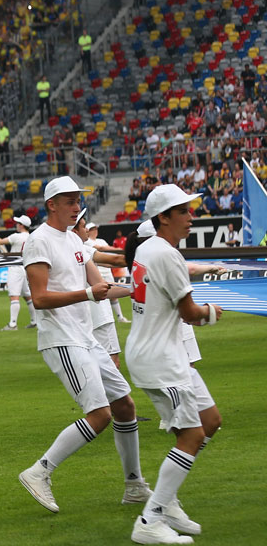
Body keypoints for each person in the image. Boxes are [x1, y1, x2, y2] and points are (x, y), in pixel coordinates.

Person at [18, 176, 150, 514]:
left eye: (78, 199)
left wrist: (143, 287)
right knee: (100, 414)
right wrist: (89, 294)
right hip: (61, 339)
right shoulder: (38, 241)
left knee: (125, 407)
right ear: (52, 205)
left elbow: (101, 286)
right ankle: (40, 471)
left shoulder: (75, 242)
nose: (77, 205)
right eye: (70, 200)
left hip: (84, 337)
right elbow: (41, 298)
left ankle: (134, 486)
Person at [124, 186, 224, 544]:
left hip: (163, 352)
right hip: (160, 357)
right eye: (184, 211)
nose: (191, 216)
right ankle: (150, 519)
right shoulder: (166, 254)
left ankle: (166, 501)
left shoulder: (150, 249)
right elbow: (190, 313)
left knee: (210, 421)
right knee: (193, 435)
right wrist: (213, 314)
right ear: (163, 217)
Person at [72, 214, 128, 369]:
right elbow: (115, 260)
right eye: (84, 227)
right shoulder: (82, 249)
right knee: (112, 364)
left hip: (81, 318)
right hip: (100, 313)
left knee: (93, 365)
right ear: (75, 232)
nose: (87, 231)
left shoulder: (64, 250)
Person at [0, 215, 37, 331]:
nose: (16, 225)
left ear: (21, 225)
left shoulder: (16, 237)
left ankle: (12, 324)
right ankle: (34, 321)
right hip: (24, 267)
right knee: (28, 297)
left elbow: (0, 242)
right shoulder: (31, 237)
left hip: (15, 268)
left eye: (18, 223)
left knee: (14, 296)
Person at [87, 223, 130, 322]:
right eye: (92, 229)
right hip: (97, 271)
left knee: (113, 295)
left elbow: (109, 254)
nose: (95, 230)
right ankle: (105, 318)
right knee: (101, 295)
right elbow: (102, 249)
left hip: (107, 270)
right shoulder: (87, 242)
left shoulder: (101, 240)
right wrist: (119, 250)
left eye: (96, 228)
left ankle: (120, 317)